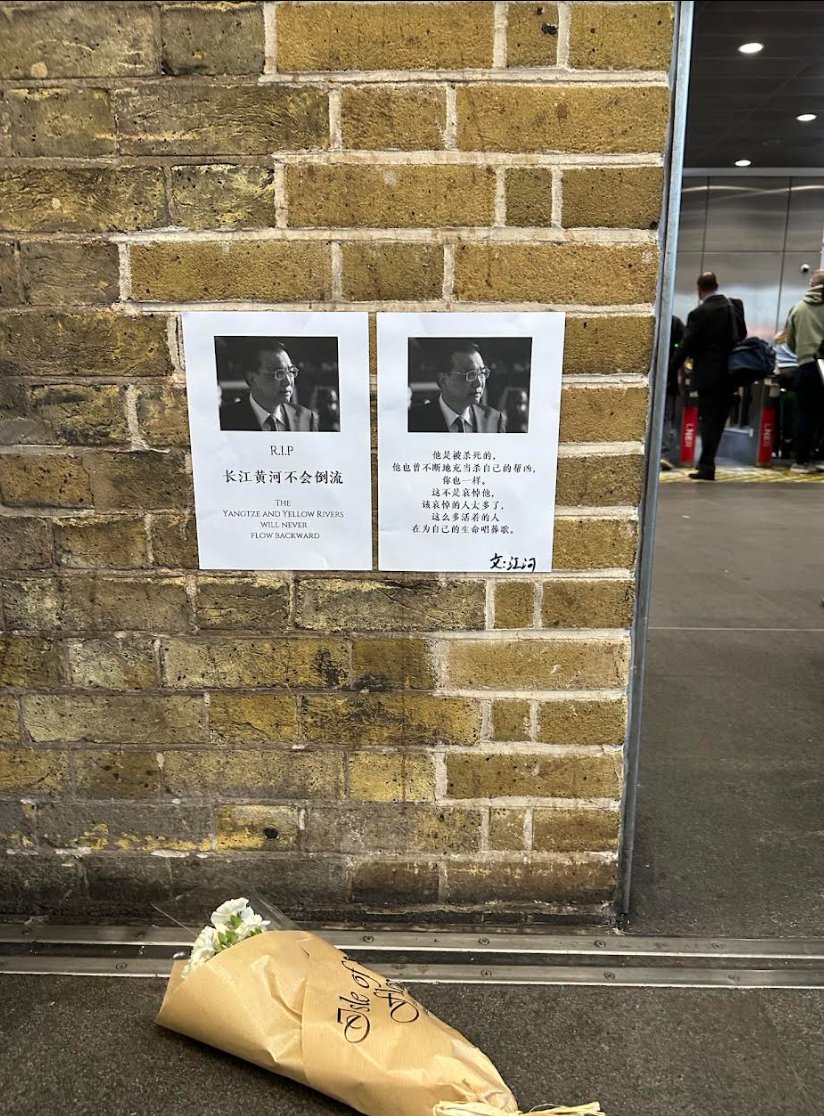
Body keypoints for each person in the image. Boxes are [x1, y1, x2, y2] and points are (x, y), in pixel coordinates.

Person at [669, 272, 745, 481]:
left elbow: (686, 345)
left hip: (708, 376)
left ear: (699, 288)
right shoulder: (733, 307)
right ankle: (707, 463)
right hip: (731, 374)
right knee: (718, 422)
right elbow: (742, 334)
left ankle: (706, 465)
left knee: (707, 421)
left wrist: (671, 369)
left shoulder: (699, 313)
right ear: (717, 286)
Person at [408, 340, 506, 433]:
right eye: (470, 374)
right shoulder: (412, 421)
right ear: (443, 380)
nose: (479, 383)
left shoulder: (494, 420)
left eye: (482, 373)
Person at [220, 341, 319, 431]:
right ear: (252, 378)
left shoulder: (306, 419)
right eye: (279, 373)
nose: (288, 382)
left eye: (290, 371)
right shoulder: (224, 420)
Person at [784, 268, 824, 473]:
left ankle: (801, 461)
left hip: (807, 364)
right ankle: (821, 458)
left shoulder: (798, 308)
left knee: (806, 413)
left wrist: (803, 351)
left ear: (811, 284)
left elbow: (790, 341)